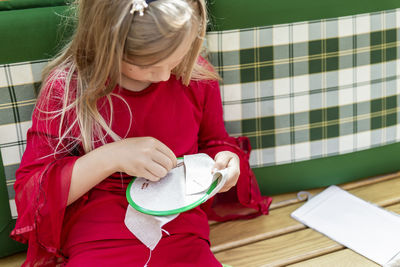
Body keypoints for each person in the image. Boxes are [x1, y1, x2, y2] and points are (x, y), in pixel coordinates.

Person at [11, 0, 272, 266]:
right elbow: (33, 193)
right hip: (97, 230)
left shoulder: (193, 75)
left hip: (176, 223)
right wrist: (111, 157)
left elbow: (212, 142)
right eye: (146, 66)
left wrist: (226, 161)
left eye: (173, 60)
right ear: (105, 45)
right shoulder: (68, 89)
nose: (162, 76)